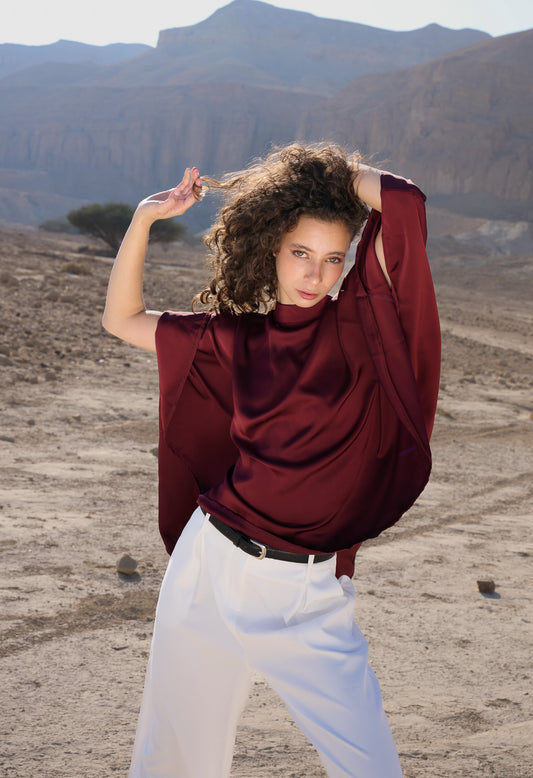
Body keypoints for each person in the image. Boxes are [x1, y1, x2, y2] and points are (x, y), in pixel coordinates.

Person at [102, 144, 440, 778]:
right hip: (211, 563)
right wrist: (144, 219)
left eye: (333, 259)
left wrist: (321, 174)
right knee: (175, 756)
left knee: (370, 765)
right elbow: (120, 319)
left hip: (304, 593)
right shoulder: (233, 338)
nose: (314, 274)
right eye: (300, 253)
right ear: (273, 248)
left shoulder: (361, 330)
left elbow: (405, 202)